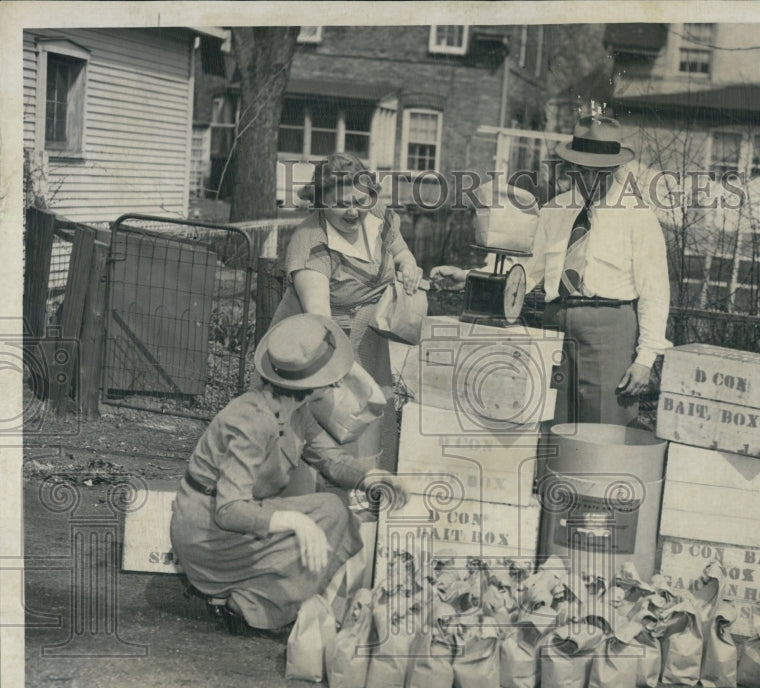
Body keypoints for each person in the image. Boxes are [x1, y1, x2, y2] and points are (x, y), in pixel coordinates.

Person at [170, 314, 408, 633]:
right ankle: (249, 604)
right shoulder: (251, 420)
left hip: (237, 520)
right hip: (209, 533)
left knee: (333, 511)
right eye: (331, 375)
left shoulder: (297, 410)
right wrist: (294, 521)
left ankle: (266, 598)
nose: (337, 381)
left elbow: (329, 459)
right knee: (312, 528)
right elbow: (229, 510)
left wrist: (371, 478)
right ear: (311, 385)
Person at [433, 115, 671, 426]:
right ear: (572, 169)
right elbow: (528, 269)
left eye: (598, 173)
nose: (588, 180)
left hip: (609, 328)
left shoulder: (638, 217)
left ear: (614, 169)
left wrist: (645, 360)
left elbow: (655, 292)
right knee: (551, 420)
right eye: (582, 172)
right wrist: (469, 277)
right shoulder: (555, 210)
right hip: (555, 324)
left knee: (604, 427)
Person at [269, 153, 423, 471]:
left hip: (369, 332)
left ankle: (366, 490)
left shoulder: (378, 215)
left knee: (371, 414)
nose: (353, 210)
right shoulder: (312, 242)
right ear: (321, 202)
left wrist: (408, 264)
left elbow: (400, 250)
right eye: (341, 203)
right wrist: (342, 371)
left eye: (359, 200)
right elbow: (320, 319)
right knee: (324, 417)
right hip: (320, 342)